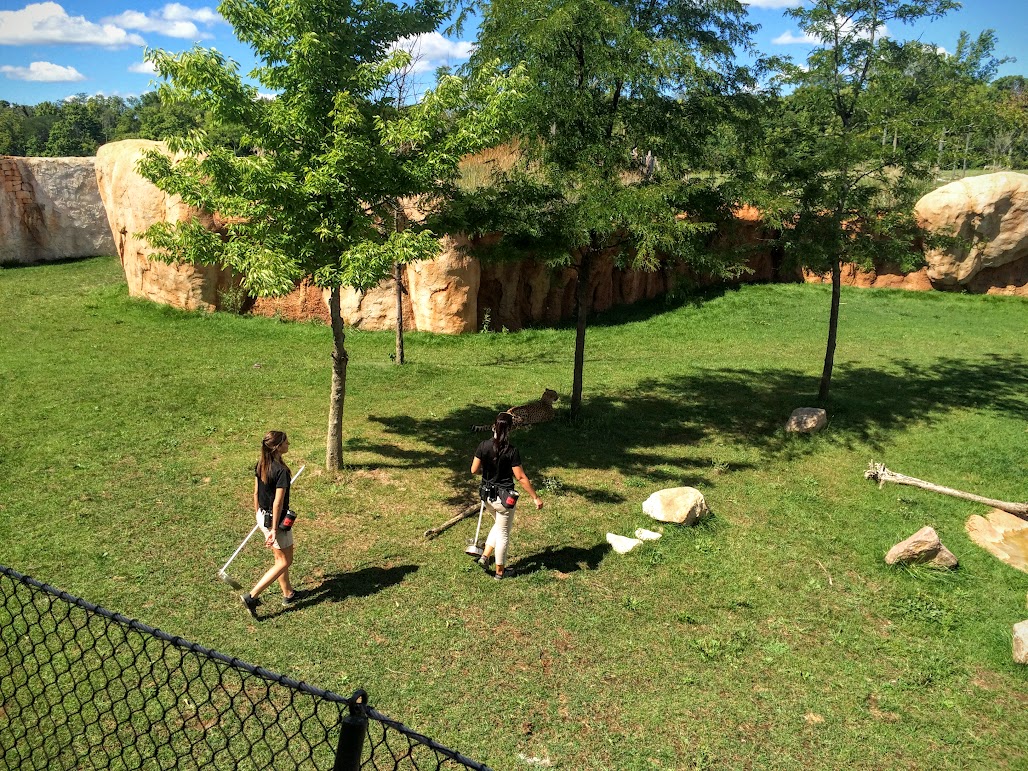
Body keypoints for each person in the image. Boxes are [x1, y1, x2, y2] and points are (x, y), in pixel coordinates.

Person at [471, 412, 543, 580]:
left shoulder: (483, 445)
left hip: (487, 497)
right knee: (503, 533)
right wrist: (535, 497)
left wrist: (488, 470)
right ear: (510, 429)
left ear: (494, 426)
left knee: (499, 525)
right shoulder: (511, 451)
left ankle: (484, 556)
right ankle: (500, 572)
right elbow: (520, 477)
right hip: (504, 500)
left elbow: (474, 470)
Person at [240, 430, 300, 617]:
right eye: (285, 442)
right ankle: (252, 596)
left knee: (279, 559)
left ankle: (288, 593)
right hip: (276, 521)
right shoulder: (281, 471)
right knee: (285, 560)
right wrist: (273, 529)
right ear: (277, 447)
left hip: (262, 516)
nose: (288, 444)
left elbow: (256, 493)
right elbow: (278, 502)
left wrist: (259, 515)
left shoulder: (261, 464)